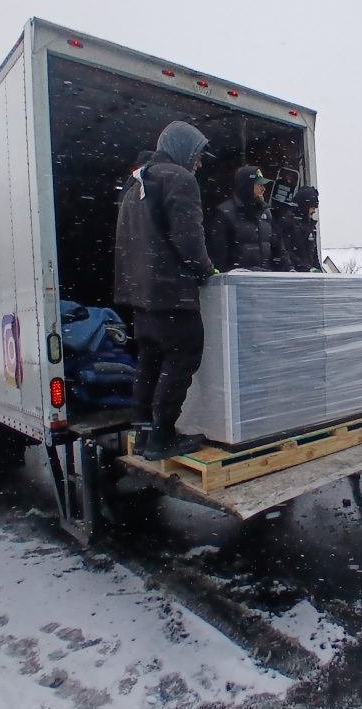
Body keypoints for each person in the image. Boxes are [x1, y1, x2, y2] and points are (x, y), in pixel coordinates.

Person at [114, 121, 214, 461]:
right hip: (171, 293)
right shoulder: (179, 179)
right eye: (198, 155)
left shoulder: (137, 181)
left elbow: (131, 241)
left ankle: (144, 433)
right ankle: (162, 436)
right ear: (183, 149)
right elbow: (189, 237)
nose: (199, 163)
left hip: (141, 296)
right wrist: (205, 270)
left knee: (149, 362)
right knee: (183, 357)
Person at [208, 165, 291, 272]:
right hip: (238, 280)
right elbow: (219, 257)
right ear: (247, 186)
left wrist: (289, 269)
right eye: (259, 185)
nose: (263, 189)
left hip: (266, 278)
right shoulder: (224, 214)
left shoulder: (266, 213)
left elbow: (279, 248)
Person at [283, 186, 322, 272]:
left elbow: (314, 255)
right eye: (312, 207)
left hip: (307, 273)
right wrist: (306, 268)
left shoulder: (311, 225)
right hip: (293, 274)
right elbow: (285, 251)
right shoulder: (288, 223)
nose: (314, 211)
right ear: (305, 206)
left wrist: (318, 271)